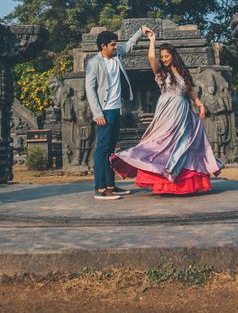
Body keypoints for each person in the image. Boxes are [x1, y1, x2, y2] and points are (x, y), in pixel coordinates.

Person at [110, 27, 223, 194]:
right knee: (161, 142)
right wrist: (152, 41)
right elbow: (151, 58)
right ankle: (159, 175)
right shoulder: (162, 73)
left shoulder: (183, 72)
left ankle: (182, 183)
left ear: (173, 56)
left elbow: (189, 89)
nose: (163, 59)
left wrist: (199, 103)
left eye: (166, 56)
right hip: (167, 111)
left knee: (184, 143)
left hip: (182, 111)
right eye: (162, 57)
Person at [85, 25, 146, 200]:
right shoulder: (93, 63)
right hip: (104, 111)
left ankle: (111, 185)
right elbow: (90, 90)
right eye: (112, 44)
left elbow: (129, 45)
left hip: (116, 109)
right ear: (103, 46)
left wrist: (141, 31)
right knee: (101, 150)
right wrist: (97, 114)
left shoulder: (117, 55)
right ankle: (100, 188)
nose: (115, 47)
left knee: (111, 150)